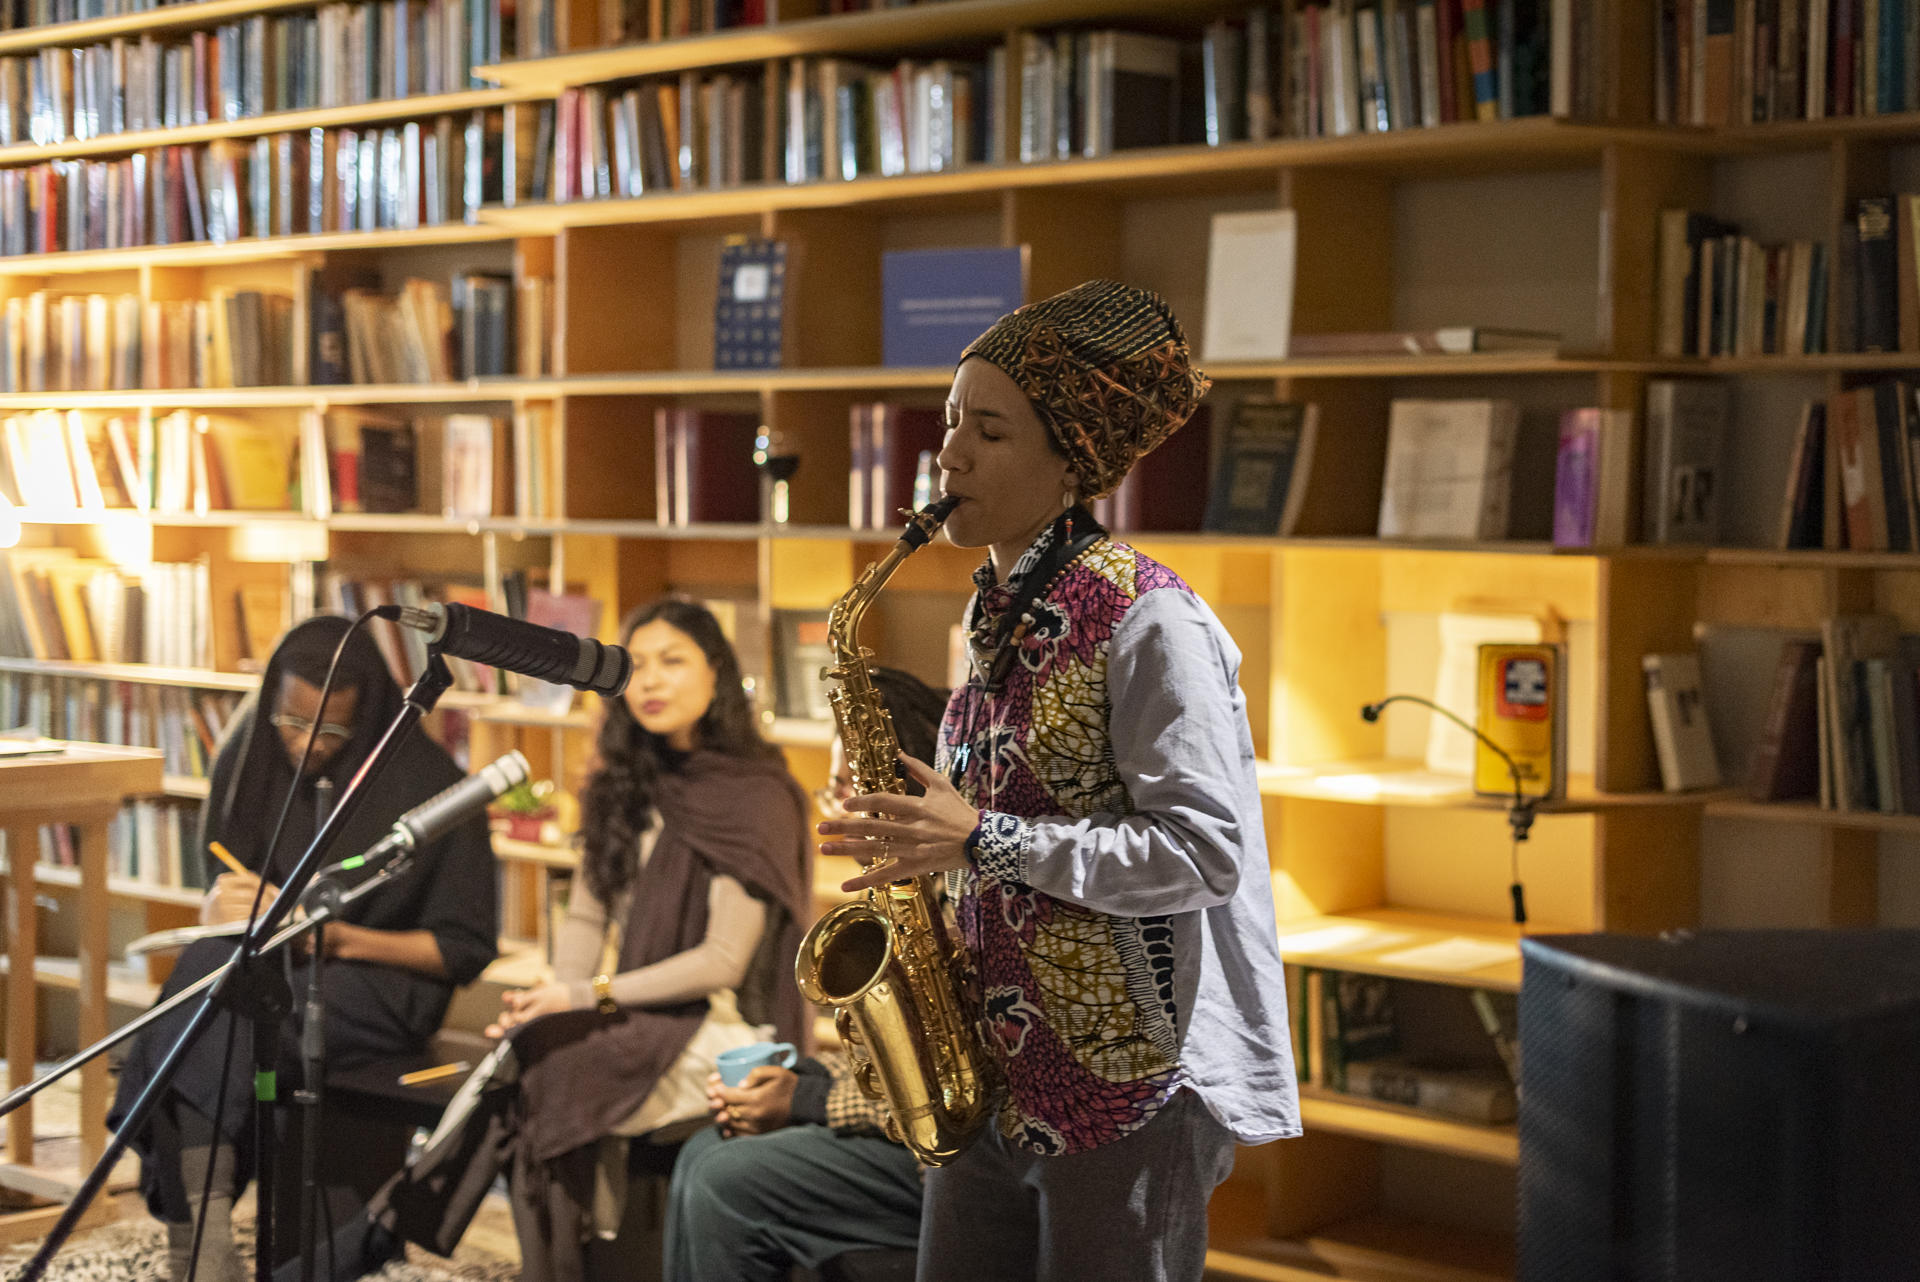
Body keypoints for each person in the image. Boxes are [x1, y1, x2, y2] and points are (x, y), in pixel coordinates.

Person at [814, 280, 1300, 1282]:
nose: (948, 455)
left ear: (1072, 457)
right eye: (951, 422)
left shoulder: (1150, 619)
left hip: (1130, 1088)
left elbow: (1205, 852)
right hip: (992, 1071)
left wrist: (980, 839)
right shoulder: (992, 607)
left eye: (988, 430)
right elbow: (999, 806)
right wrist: (908, 830)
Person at [110, 615, 499, 1282]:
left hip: (377, 980)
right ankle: (202, 1241)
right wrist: (219, 907)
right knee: (211, 980)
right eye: (290, 721)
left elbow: (461, 950)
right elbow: (223, 872)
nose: (305, 744)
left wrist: (337, 935)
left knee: (207, 1009)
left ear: (370, 713)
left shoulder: (428, 783)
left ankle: (195, 1241)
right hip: (267, 968)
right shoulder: (253, 755)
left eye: (331, 730)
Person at [495, 598, 813, 1282]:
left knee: (557, 1073)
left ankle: (552, 1265)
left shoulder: (754, 795)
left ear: (717, 674)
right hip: (641, 1009)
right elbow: (586, 916)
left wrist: (586, 994)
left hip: (728, 1025)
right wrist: (552, 998)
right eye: (635, 666)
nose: (651, 682)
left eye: (673, 662)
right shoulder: (622, 782)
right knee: (525, 1048)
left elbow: (721, 962)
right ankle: (555, 1262)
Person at [661, 667, 948, 1282]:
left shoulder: (952, 904)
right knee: (703, 1151)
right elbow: (890, 1062)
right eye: (831, 789)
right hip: (901, 1136)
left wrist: (808, 1099)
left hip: (946, 1164)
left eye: (849, 787)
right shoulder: (893, 895)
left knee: (722, 1179)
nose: (838, 810)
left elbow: (947, 1091)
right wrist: (803, 1075)